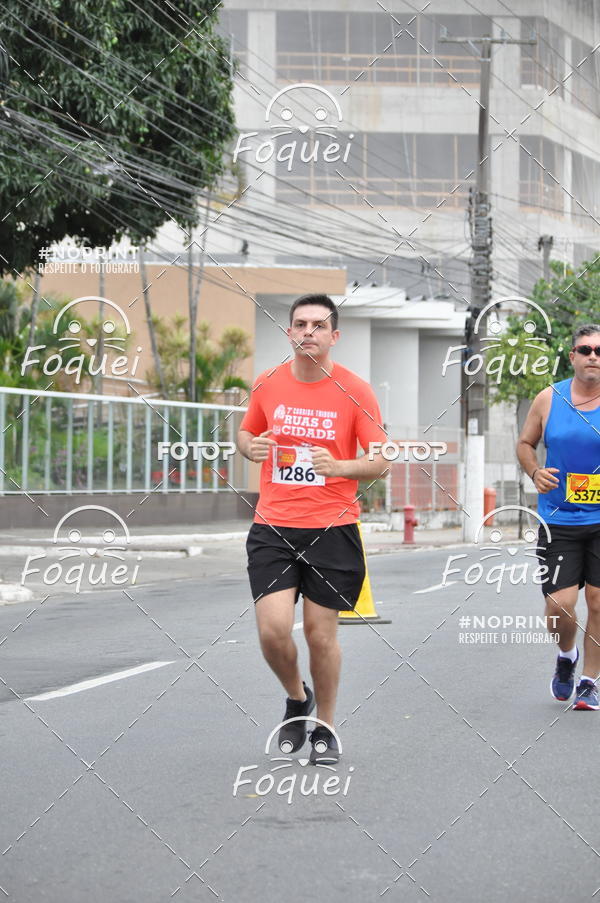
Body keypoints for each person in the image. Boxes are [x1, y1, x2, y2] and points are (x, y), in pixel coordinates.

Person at [237, 293, 388, 762]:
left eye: (318, 325)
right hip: (273, 526)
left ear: (333, 335)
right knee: (272, 630)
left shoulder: (355, 390)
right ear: (289, 332)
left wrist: (340, 466)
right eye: (300, 324)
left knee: (320, 636)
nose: (308, 332)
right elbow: (246, 432)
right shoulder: (267, 382)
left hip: (332, 528)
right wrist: (249, 447)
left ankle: (326, 725)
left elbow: (381, 459)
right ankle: (297, 697)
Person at [517, 323, 600, 710]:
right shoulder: (550, 398)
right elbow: (525, 443)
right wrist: (535, 471)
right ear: (572, 356)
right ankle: (567, 655)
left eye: (599, 351)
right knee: (560, 606)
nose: (593, 356)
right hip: (559, 520)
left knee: (598, 602)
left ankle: (589, 681)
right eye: (586, 350)